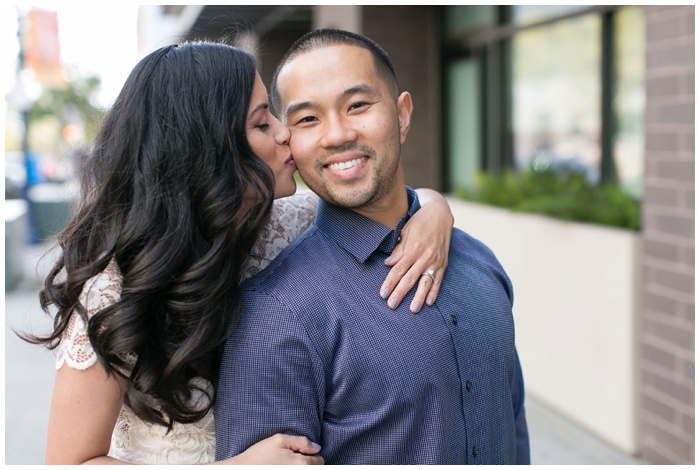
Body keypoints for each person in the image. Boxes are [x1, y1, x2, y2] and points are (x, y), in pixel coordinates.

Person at [22, 41, 457, 465]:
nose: (286, 132)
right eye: (263, 122)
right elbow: (69, 461)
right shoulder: (118, 284)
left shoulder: (293, 221)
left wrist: (435, 211)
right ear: (208, 147)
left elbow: (390, 197)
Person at [215, 29, 530, 465]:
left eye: (358, 106)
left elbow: (512, 423)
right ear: (289, 141)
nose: (338, 134)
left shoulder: (480, 262)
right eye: (308, 119)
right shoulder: (273, 313)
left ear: (402, 114)